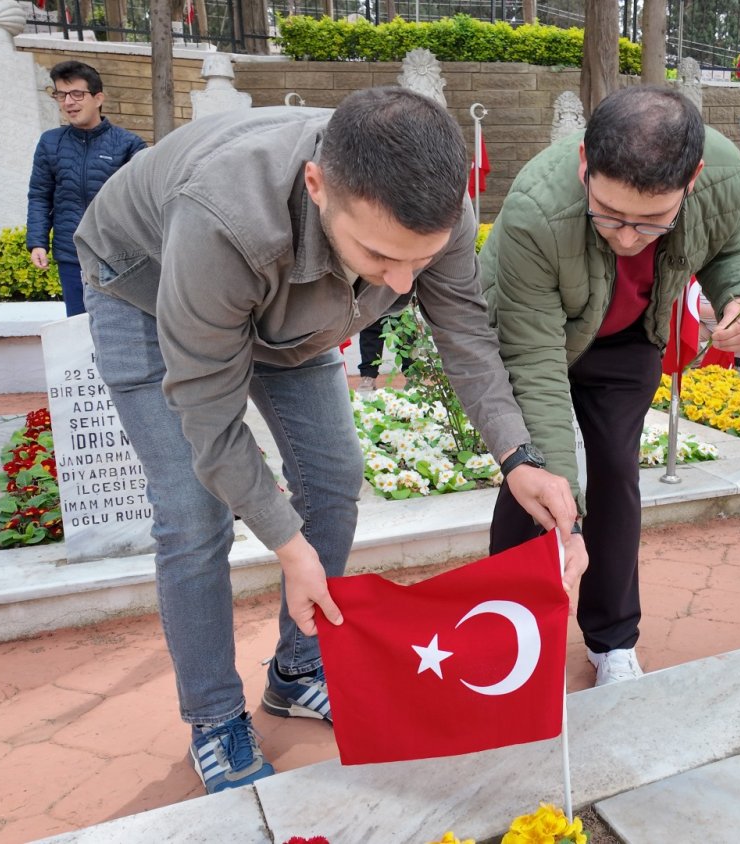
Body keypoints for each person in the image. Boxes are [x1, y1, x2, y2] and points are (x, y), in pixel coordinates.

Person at [72, 87, 582, 795]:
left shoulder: (437, 208)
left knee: (336, 476)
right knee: (192, 512)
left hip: (301, 303)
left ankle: (296, 669)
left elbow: (466, 333)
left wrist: (518, 458)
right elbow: (208, 414)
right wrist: (289, 545)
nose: (400, 283)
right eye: (380, 254)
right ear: (317, 185)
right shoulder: (223, 218)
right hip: (146, 284)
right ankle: (215, 716)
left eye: (419, 261)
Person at [479, 86, 740, 687]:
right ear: (585, 163)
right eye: (609, 215)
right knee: (535, 477)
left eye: (652, 222)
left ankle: (612, 639)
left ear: (692, 180)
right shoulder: (538, 209)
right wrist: (564, 519)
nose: (629, 238)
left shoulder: (724, 176)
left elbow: (727, 250)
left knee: (614, 470)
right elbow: (535, 364)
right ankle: (508, 631)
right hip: (537, 335)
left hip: (629, 336)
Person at [27, 60, 146, 317]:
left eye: (77, 94)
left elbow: (142, 201)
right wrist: (37, 242)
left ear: (98, 98)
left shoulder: (128, 144)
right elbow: (39, 195)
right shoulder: (50, 143)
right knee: (79, 325)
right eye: (61, 94)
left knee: (119, 324)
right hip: (71, 255)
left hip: (115, 255)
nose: (68, 102)